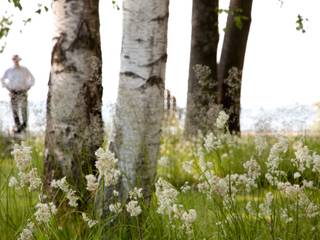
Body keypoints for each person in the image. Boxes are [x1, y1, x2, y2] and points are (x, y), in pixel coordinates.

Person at [1, 54, 35, 133]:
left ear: (19, 60)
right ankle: (18, 127)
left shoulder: (24, 70)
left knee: (24, 110)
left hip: (23, 91)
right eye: (14, 60)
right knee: (15, 110)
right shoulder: (9, 70)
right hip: (13, 92)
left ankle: (24, 126)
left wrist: (28, 87)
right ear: (13, 61)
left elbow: (32, 79)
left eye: (17, 60)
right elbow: (2, 80)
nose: (16, 61)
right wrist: (8, 88)